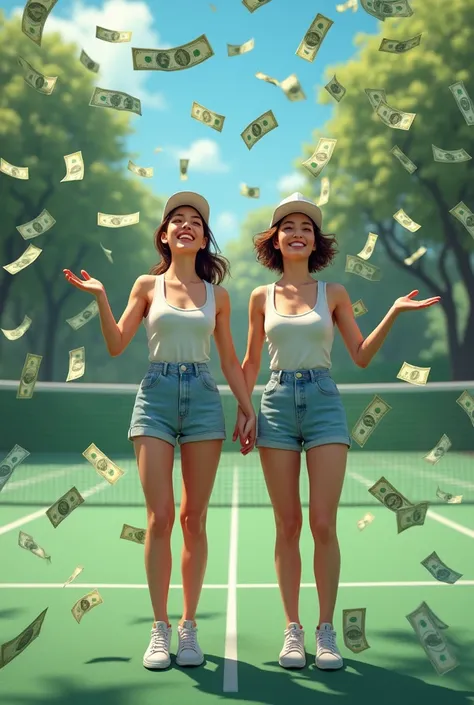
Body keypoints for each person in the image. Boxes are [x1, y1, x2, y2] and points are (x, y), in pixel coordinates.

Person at [234, 192, 440, 671]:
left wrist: (391, 312)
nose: (298, 233)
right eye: (289, 227)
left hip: (325, 404)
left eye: (307, 227)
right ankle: (293, 630)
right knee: (287, 525)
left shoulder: (336, 294)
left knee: (323, 523)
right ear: (276, 240)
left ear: (316, 240)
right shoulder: (260, 298)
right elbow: (248, 361)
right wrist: (245, 411)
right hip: (276, 405)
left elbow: (362, 354)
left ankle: (326, 632)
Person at [63, 191, 256, 670]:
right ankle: (160, 627)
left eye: (195, 221)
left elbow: (230, 359)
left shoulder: (220, 296)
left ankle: (188, 627)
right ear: (165, 234)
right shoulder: (146, 285)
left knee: (194, 519)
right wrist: (103, 298)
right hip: (155, 396)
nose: (186, 225)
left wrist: (247, 407)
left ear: (203, 237)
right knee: (160, 518)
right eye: (177, 220)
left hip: (205, 400)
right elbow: (115, 344)